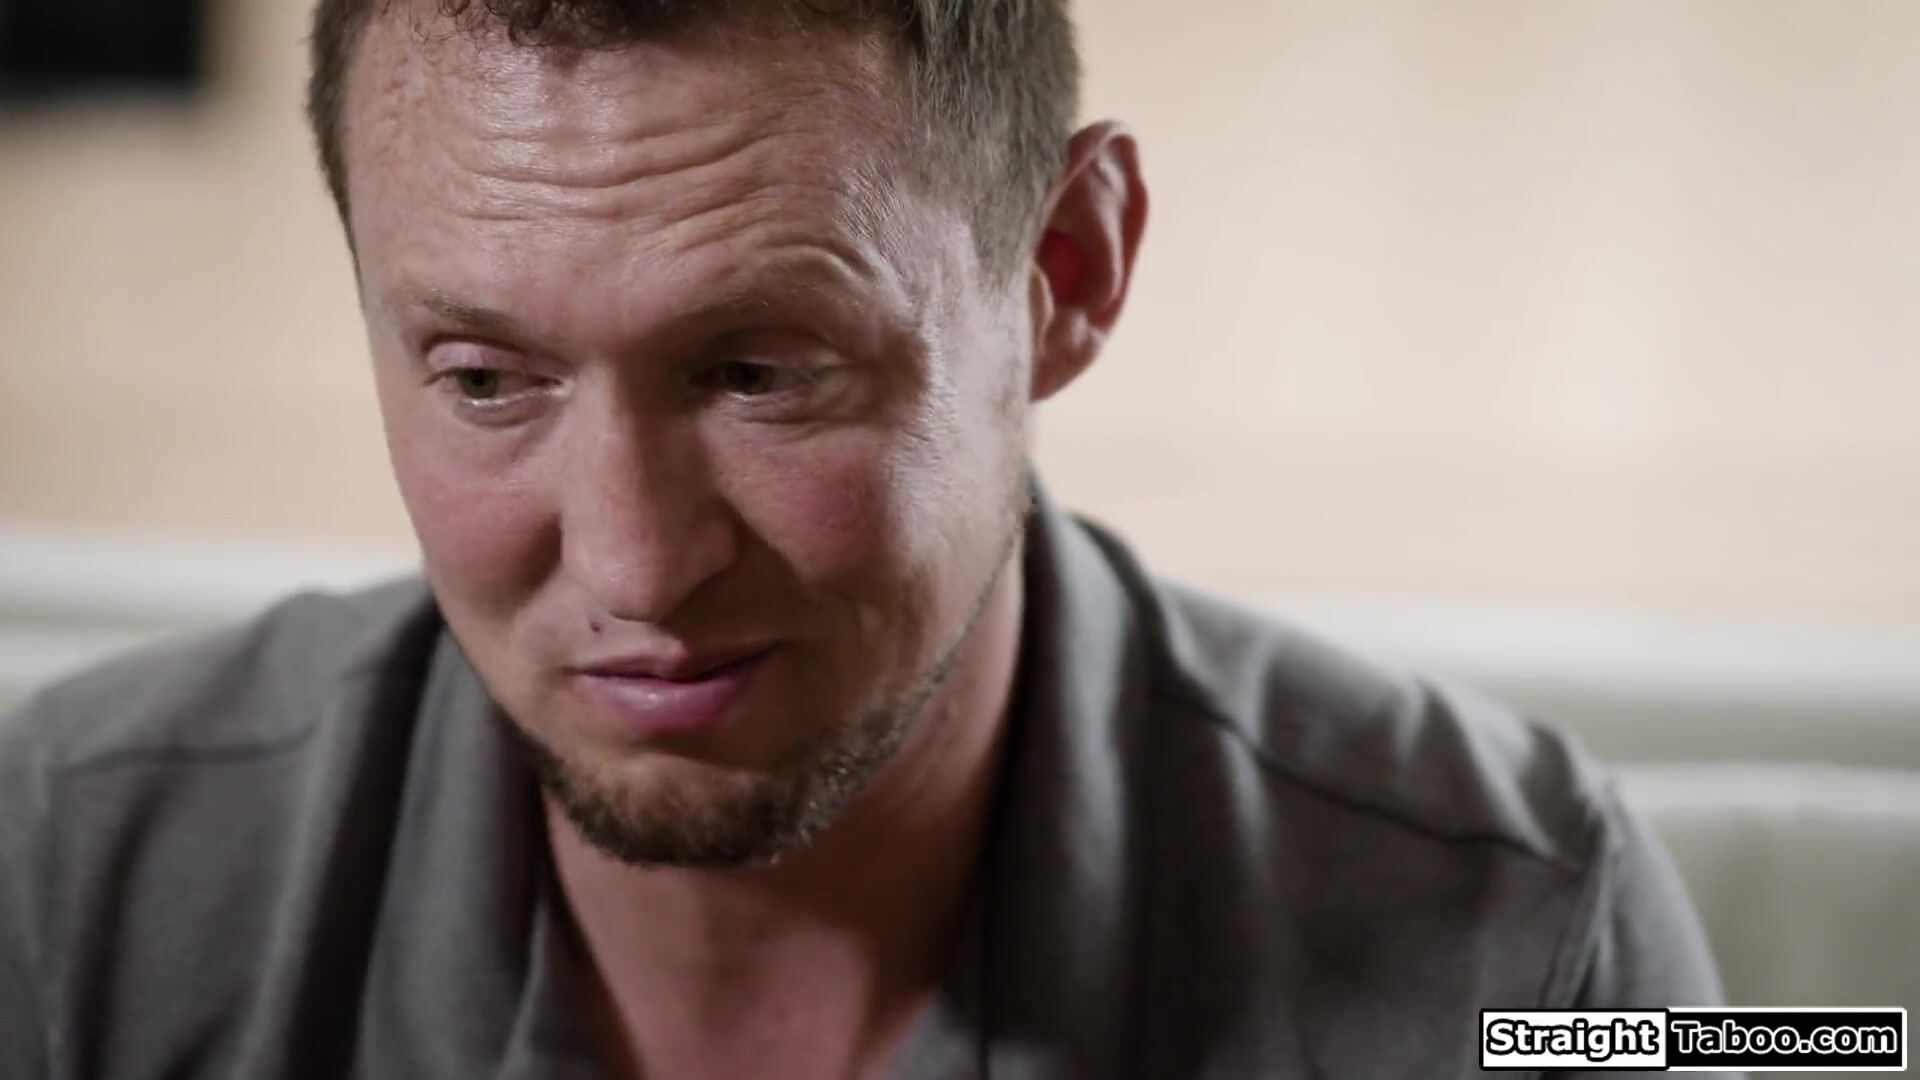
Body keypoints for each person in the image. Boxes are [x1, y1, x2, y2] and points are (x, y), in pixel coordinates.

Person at [0, 1, 1730, 1076]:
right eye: (484, 379)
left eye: (762, 373)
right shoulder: (70, 881)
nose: (633, 567)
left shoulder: (1526, 939)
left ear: (1064, 274)